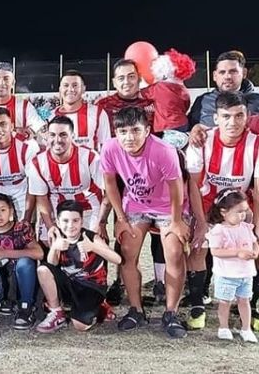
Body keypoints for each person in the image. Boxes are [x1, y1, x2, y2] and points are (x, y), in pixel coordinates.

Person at [99, 106, 189, 338]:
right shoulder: (109, 148)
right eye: (123, 131)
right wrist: (120, 218)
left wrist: (177, 221)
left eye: (135, 130)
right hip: (136, 205)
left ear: (147, 130)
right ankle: (136, 309)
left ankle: (171, 312)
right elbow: (110, 184)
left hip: (168, 207)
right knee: (127, 253)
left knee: (174, 253)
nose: (129, 137)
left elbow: (177, 187)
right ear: (115, 133)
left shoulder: (164, 150)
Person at [185, 92, 259, 330]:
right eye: (226, 116)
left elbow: (258, 192)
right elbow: (194, 186)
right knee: (198, 246)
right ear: (215, 118)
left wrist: (255, 228)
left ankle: (251, 303)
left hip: (242, 205)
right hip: (208, 203)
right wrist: (201, 223)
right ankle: (197, 305)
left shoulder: (256, 144)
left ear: (248, 117)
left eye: (239, 116)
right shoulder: (201, 140)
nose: (233, 122)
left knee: (256, 246)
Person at [36, 200, 122, 333]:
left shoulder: (90, 237)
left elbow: (118, 259)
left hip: (91, 286)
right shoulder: (59, 237)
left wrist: (93, 247)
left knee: (80, 326)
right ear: (58, 222)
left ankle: (100, 307)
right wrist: (54, 248)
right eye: (65, 221)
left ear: (82, 221)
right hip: (70, 283)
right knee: (43, 269)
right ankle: (57, 313)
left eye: (75, 220)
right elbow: (51, 265)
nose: (70, 225)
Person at [27, 116, 105, 243]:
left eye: (63, 135)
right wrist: (50, 226)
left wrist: (101, 222)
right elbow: (41, 197)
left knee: (93, 247)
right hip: (55, 209)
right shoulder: (37, 163)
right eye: (52, 135)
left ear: (73, 136)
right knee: (48, 244)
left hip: (88, 208)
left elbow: (106, 191)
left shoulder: (90, 157)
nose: (57, 140)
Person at [206, 190, 258, 342]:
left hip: (246, 273)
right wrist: (237, 253)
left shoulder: (246, 227)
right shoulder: (219, 230)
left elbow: (254, 242)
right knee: (225, 302)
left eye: (245, 211)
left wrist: (255, 252)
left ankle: (246, 328)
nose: (243, 215)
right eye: (239, 212)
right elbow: (215, 251)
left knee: (245, 300)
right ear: (223, 212)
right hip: (227, 274)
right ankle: (223, 327)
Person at [0, 193, 42, 329]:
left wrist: (6, 253)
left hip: (20, 276)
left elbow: (39, 253)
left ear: (11, 211)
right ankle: (4, 299)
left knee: (25, 263)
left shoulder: (21, 228)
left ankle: (26, 308)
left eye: (3, 210)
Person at [189, 50, 259, 130]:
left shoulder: (257, 100)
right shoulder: (202, 101)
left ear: (244, 73)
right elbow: (189, 131)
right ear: (215, 76)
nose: (227, 76)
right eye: (222, 72)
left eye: (233, 71)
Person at [50, 70, 110, 150]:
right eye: (66, 85)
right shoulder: (51, 116)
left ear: (83, 89)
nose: (70, 89)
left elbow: (106, 147)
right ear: (60, 90)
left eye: (75, 85)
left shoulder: (98, 113)